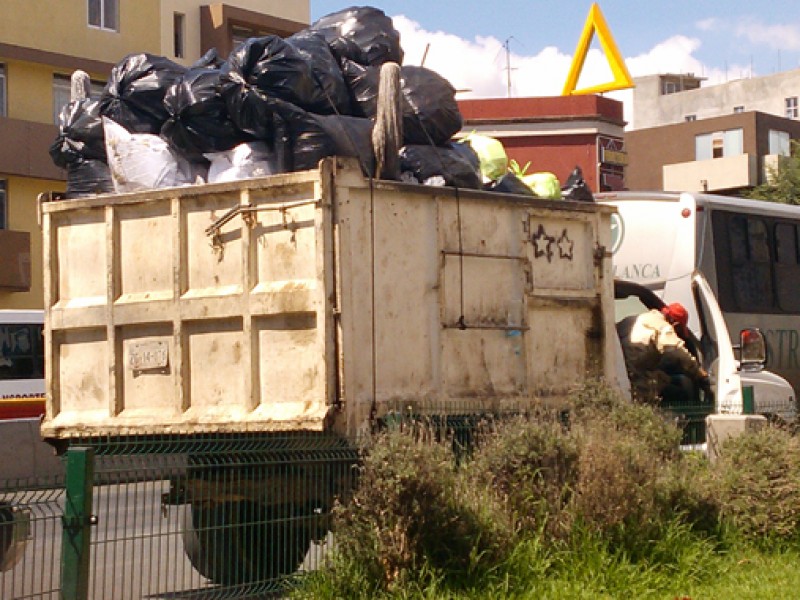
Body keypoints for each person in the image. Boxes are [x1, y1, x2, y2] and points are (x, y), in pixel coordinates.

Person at [616, 302, 712, 404]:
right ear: (676, 324)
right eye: (678, 332)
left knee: (664, 379)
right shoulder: (663, 326)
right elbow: (676, 351)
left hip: (619, 375)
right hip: (637, 380)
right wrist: (700, 374)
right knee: (680, 392)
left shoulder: (632, 321)